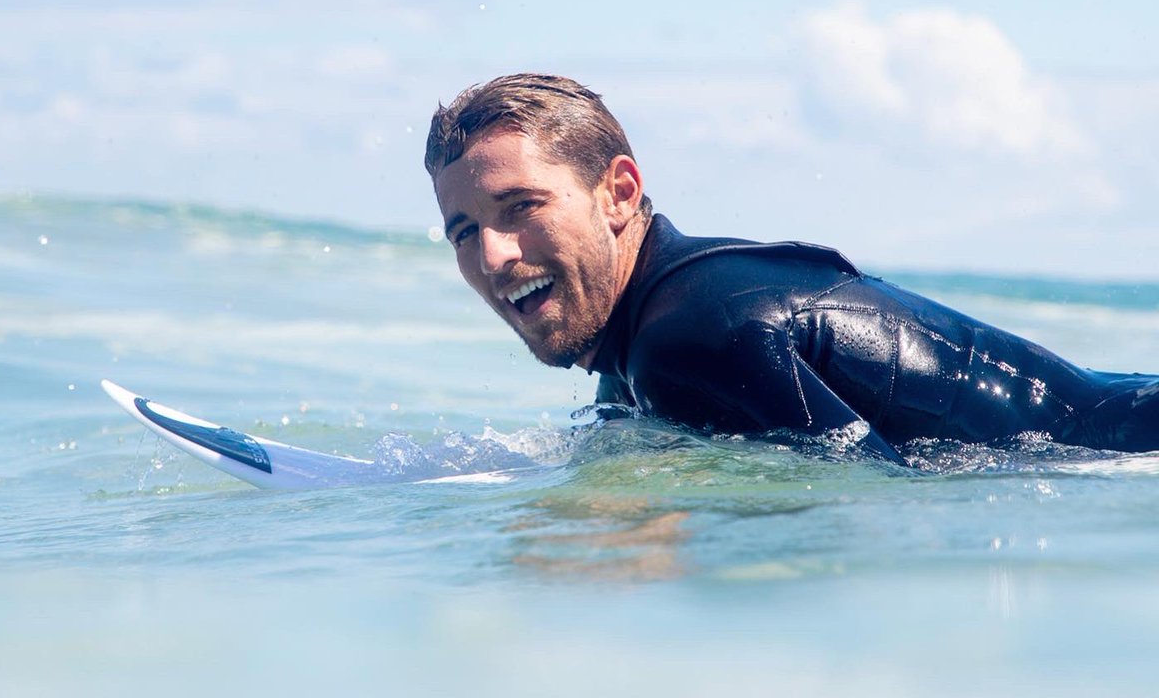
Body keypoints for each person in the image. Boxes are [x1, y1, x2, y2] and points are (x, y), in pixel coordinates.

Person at [425, 73, 1159, 464]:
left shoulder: (685, 340)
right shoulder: (644, 347)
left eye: (520, 207)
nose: (492, 256)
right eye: (464, 232)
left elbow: (870, 508)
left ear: (618, 193)